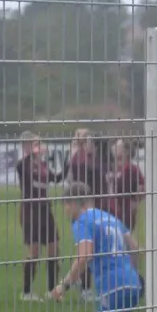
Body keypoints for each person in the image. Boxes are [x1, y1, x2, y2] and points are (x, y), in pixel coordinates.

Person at [51, 182, 146, 312]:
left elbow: (84, 257)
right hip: (131, 283)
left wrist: (63, 286)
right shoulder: (110, 218)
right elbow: (136, 249)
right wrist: (128, 274)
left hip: (113, 287)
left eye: (66, 205)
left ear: (74, 203)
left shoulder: (83, 221)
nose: (65, 211)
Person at [16, 131, 66, 302]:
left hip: (46, 210)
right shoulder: (24, 165)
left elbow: (57, 179)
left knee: (54, 248)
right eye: (35, 144)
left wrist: (67, 165)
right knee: (34, 252)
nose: (40, 147)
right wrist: (34, 154)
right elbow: (21, 166)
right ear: (27, 147)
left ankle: (52, 291)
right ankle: (26, 292)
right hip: (31, 211)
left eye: (39, 143)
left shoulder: (44, 166)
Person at [67, 129, 110, 302]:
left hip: (97, 209)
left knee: (94, 251)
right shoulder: (80, 159)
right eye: (87, 141)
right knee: (87, 253)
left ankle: (86, 284)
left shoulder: (94, 159)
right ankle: (84, 287)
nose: (91, 144)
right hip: (85, 211)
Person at [109, 138, 145, 233]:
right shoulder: (113, 167)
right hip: (112, 212)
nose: (114, 148)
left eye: (117, 147)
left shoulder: (131, 168)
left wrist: (135, 202)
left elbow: (142, 187)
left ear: (126, 151)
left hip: (125, 214)